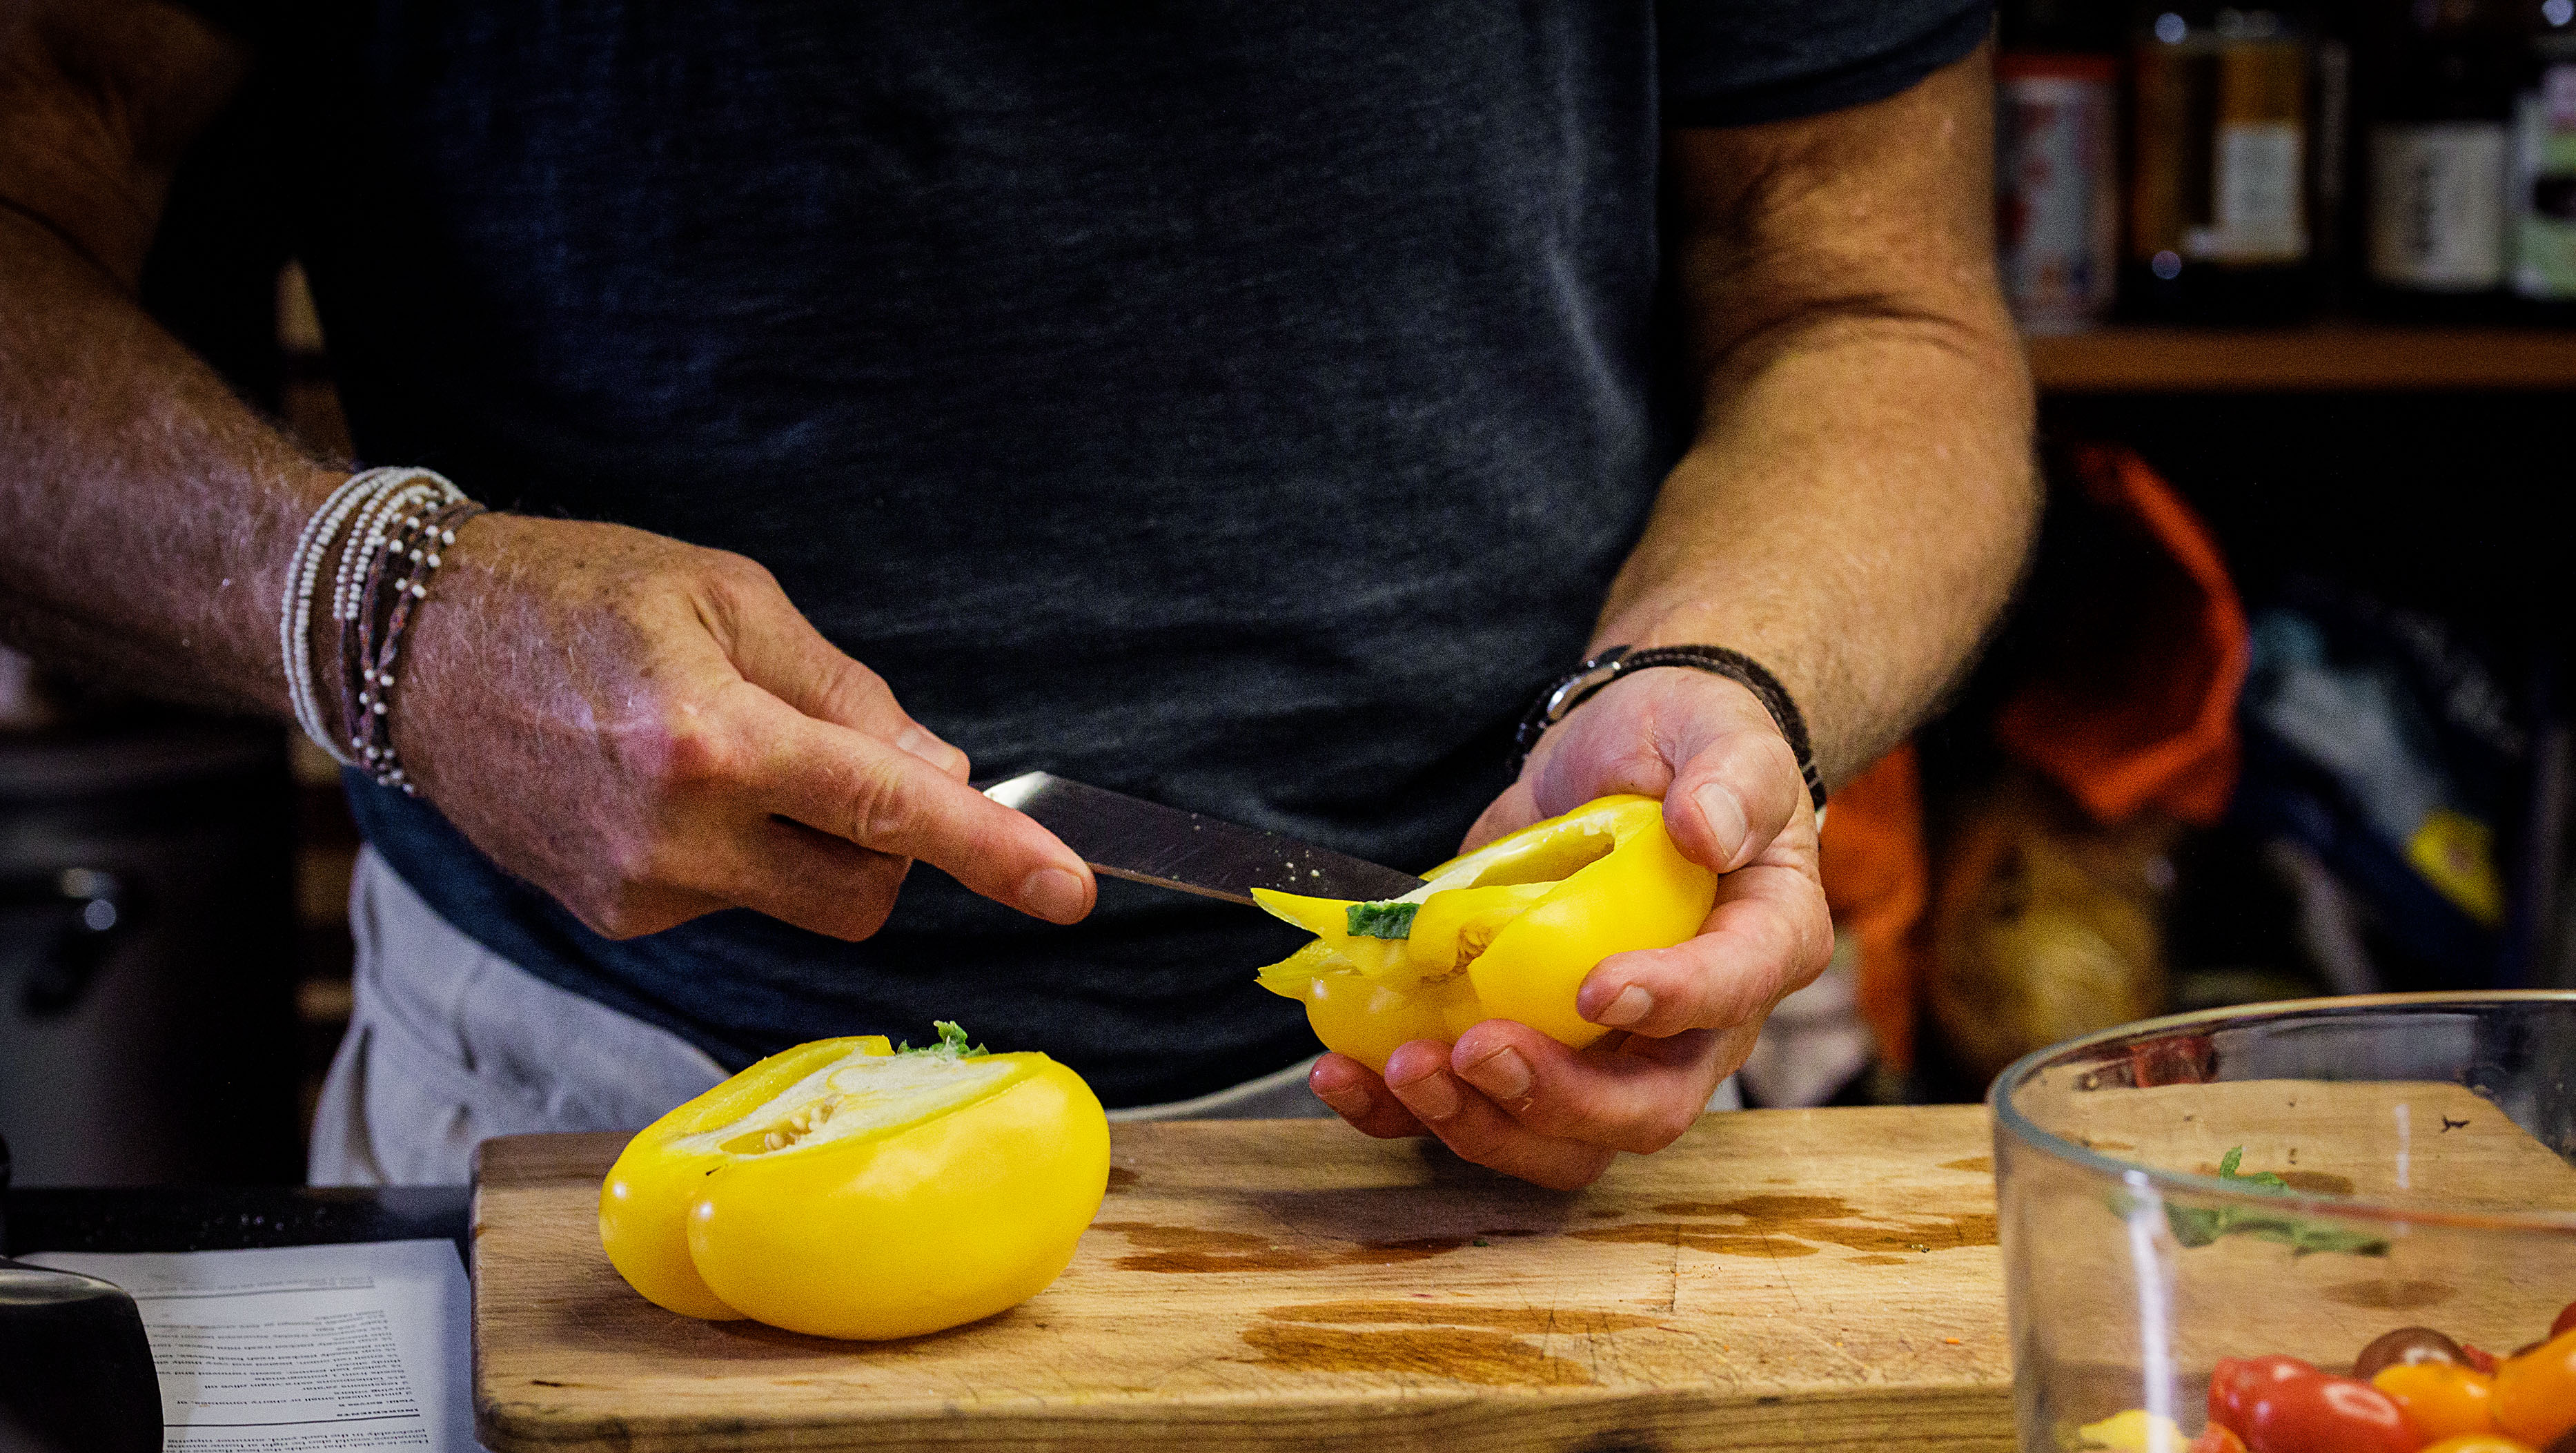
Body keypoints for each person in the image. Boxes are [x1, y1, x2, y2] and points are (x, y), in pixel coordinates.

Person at [0, 3, 2036, 1191]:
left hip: (1547, 1140)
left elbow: (1866, 295)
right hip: (579, 1139)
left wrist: (1724, 675)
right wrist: (386, 613)